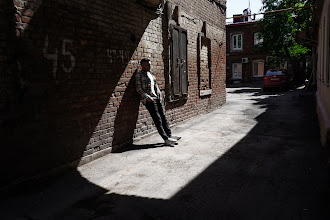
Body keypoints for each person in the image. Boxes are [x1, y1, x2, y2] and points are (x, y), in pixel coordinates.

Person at [135, 58, 180, 146]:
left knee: (163, 116)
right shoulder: (139, 75)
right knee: (157, 119)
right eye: (148, 64)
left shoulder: (151, 74)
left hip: (156, 98)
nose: (150, 66)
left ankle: (169, 135)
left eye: (150, 64)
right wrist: (148, 97)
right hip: (149, 100)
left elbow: (155, 86)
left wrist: (159, 94)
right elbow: (138, 88)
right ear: (142, 65)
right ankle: (166, 139)